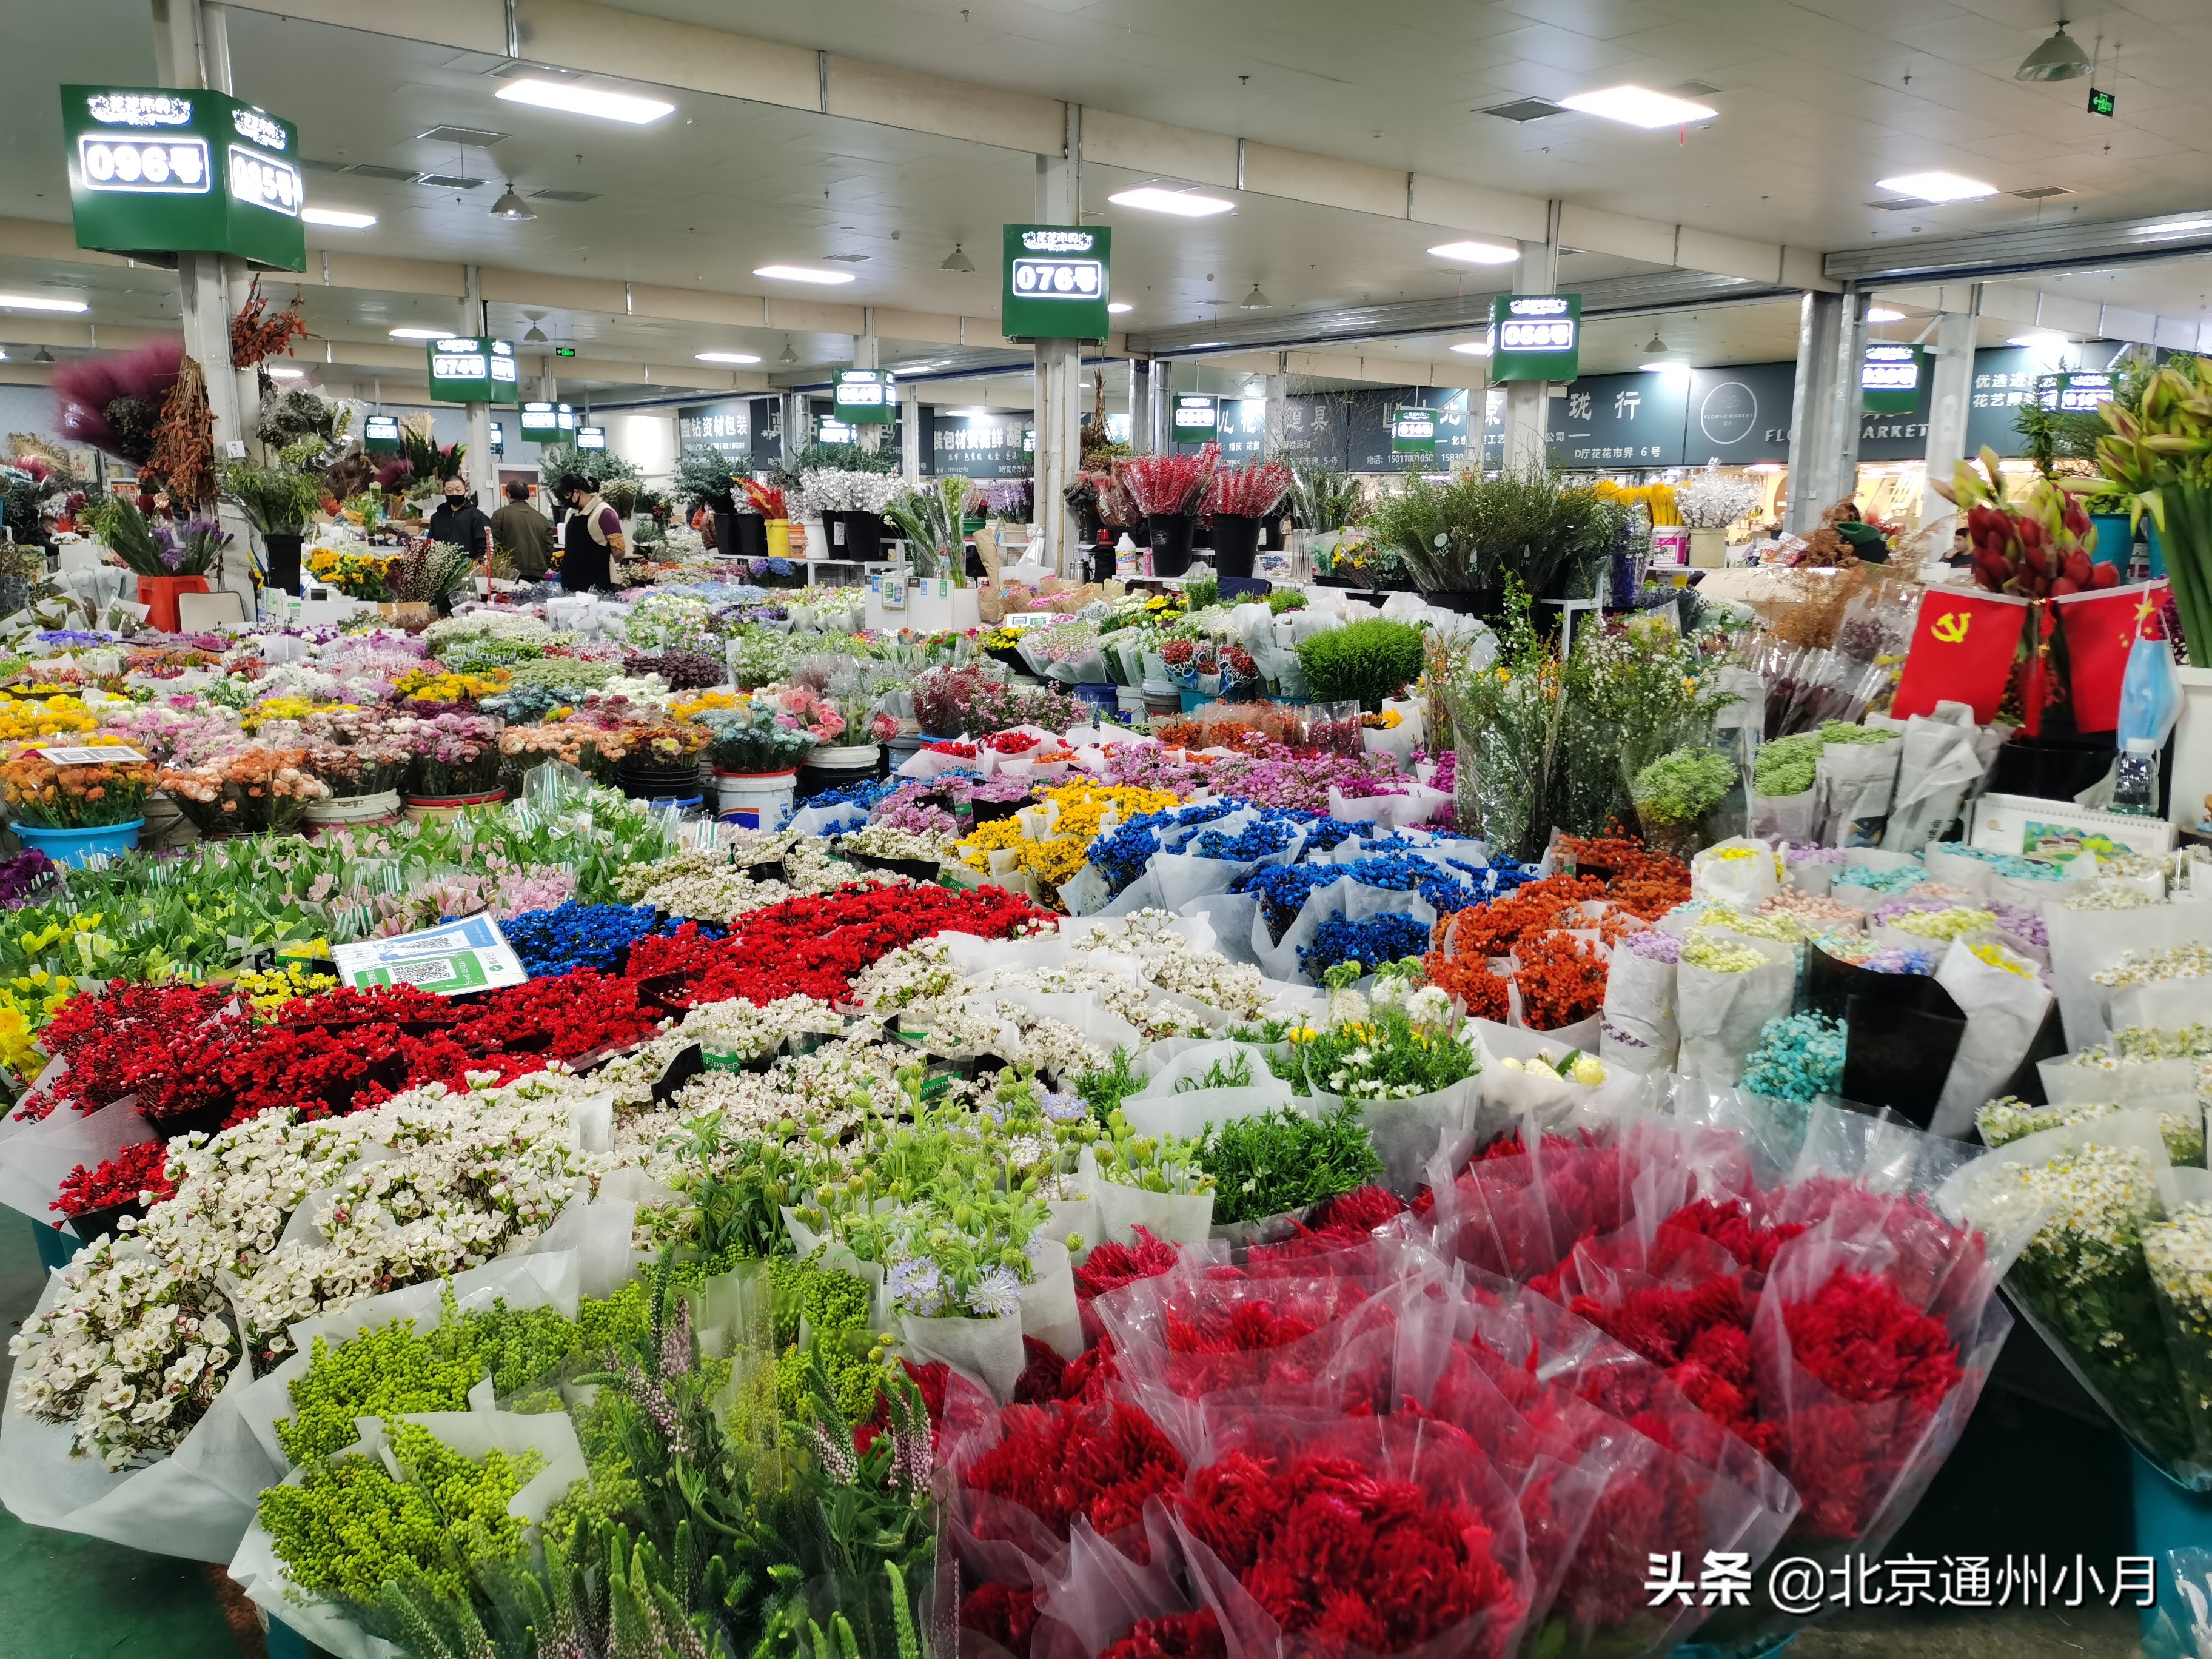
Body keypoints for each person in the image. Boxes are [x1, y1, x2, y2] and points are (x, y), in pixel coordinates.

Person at [556, 472, 626, 592]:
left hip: (595, 588)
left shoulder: (604, 513)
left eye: (567, 496)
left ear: (577, 493)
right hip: (570, 585)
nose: (565, 501)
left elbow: (619, 551)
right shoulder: (570, 512)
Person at [489, 479, 555, 581]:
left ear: (508, 494)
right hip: (537, 572)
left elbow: (495, 544)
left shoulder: (500, 515)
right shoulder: (541, 518)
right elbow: (549, 546)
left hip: (509, 573)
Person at [426, 477, 494, 561]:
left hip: (469, 569)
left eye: (458, 490)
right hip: (441, 568)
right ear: (444, 492)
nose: (454, 493)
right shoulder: (437, 518)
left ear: (466, 490)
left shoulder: (477, 517)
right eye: (450, 491)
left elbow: (484, 548)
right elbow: (430, 543)